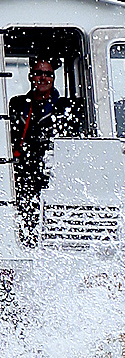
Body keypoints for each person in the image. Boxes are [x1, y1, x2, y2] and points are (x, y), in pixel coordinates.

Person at [9, 57, 83, 242]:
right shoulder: (17, 105)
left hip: (54, 177)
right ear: (30, 76)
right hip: (23, 175)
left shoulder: (66, 108)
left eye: (48, 74)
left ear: (54, 78)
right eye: (38, 73)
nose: (43, 78)